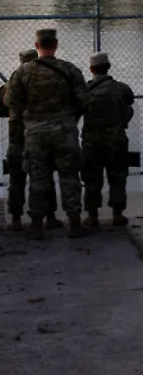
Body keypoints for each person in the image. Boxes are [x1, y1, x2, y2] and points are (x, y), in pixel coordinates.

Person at [5, 29, 90, 239]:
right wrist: (70, 118)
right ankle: (75, 223)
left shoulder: (22, 73)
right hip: (65, 132)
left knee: (38, 179)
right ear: (56, 45)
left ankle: (36, 225)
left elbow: (10, 103)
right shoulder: (70, 70)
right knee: (69, 177)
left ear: (36, 46)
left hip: (35, 134)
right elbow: (85, 102)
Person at [1, 50, 58, 231]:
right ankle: (48, 217)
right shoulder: (46, 83)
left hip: (18, 139)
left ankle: (17, 219)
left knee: (16, 180)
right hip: (40, 137)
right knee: (44, 178)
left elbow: (3, 106)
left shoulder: (11, 85)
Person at [81, 52, 135, 228]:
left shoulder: (85, 91)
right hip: (116, 139)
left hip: (92, 141)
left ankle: (92, 215)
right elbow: (129, 104)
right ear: (108, 67)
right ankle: (117, 214)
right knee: (118, 176)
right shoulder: (121, 88)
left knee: (92, 177)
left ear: (91, 69)